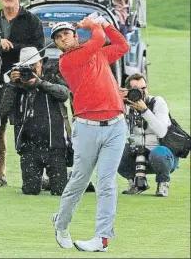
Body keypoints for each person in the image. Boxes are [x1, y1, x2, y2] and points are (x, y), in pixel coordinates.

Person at [50, 16, 129, 252]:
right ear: (57, 44)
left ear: (75, 36)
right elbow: (98, 39)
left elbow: (122, 45)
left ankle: (102, 238)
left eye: (67, 33)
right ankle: (61, 224)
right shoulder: (68, 60)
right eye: (58, 37)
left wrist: (105, 24)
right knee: (80, 180)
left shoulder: (99, 54)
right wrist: (93, 24)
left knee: (107, 183)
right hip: (86, 129)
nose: (63, 38)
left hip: (116, 125)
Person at [0, 0, 45, 187]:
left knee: (29, 128)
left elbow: (38, 48)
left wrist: (12, 46)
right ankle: (0, 174)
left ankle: (33, 173)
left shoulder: (32, 20)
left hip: (24, 82)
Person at [8, 47, 69, 195]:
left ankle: (69, 178)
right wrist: (12, 85)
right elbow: (3, 109)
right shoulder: (17, 84)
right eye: (26, 67)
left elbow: (64, 94)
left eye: (33, 65)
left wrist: (40, 83)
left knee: (59, 191)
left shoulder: (52, 77)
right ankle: (41, 180)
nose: (30, 70)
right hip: (29, 147)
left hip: (54, 145)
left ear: (41, 63)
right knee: (30, 190)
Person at [118, 73, 179, 197]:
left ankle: (163, 184)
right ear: (128, 91)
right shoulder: (124, 106)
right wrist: (118, 101)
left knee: (159, 152)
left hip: (163, 155)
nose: (142, 93)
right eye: (136, 90)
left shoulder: (157, 102)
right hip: (138, 154)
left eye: (144, 88)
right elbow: (118, 133)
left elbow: (162, 132)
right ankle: (135, 183)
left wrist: (145, 111)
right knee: (115, 150)